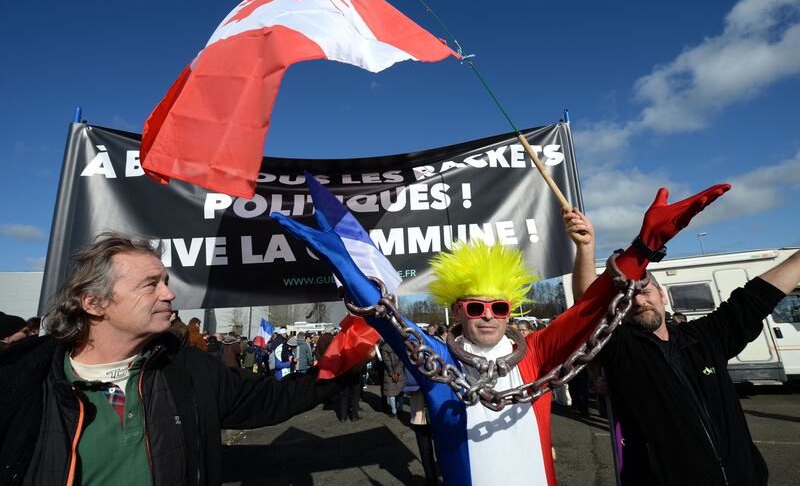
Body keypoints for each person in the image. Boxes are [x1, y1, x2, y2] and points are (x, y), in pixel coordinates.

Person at [275, 181, 729, 485]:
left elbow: (593, 308)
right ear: (458, 310)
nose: (488, 315)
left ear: (510, 310)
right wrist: (346, 268)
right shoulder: (437, 359)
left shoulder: (537, 354)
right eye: (476, 306)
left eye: (498, 306)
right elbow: (386, 320)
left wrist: (644, 248)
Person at [0, 232, 359, 485]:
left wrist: (349, 357)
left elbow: (274, 399)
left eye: (166, 281)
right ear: (94, 303)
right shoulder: (22, 379)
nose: (170, 293)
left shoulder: (187, 369)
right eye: (150, 284)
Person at [568, 208, 800, 485]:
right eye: (626, 300)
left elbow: (753, 299)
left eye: (645, 291)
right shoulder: (621, 349)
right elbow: (588, 310)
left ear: (663, 296)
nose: (639, 302)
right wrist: (585, 247)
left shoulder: (704, 336)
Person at [380, 340, 406, 418]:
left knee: (391, 394)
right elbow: (402, 360)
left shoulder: (384, 347)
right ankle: (400, 409)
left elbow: (386, 362)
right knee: (400, 392)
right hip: (400, 371)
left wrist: (392, 373)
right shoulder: (400, 344)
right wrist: (397, 372)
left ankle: (394, 412)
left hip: (389, 373)